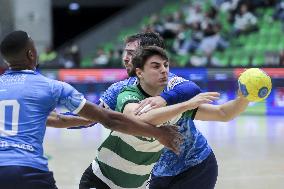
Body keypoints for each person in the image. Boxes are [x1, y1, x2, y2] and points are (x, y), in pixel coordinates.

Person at [0, 31, 183, 189]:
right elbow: (110, 119)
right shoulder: (52, 86)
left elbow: (54, 119)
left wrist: (87, 120)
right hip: (30, 170)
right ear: (32, 54)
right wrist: (157, 133)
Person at [80, 31, 249, 189]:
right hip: (150, 175)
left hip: (194, 165)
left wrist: (246, 97)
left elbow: (196, 92)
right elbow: (91, 117)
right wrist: (57, 118)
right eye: (125, 52)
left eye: (131, 53)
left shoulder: (169, 82)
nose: (125, 58)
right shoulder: (120, 90)